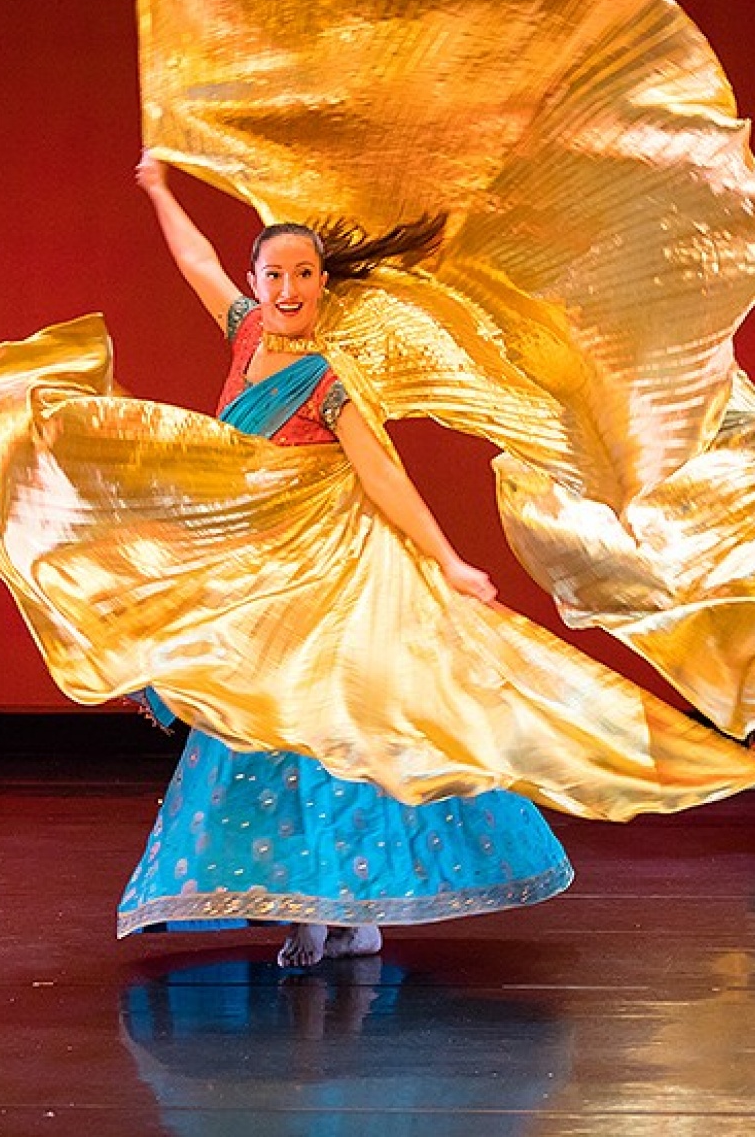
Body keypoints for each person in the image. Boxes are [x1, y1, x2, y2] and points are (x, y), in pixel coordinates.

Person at [119, 154, 572, 967]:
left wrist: (447, 560)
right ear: (255, 280)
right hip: (260, 573)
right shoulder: (247, 333)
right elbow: (193, 260)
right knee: (258, 735)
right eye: (274, 274)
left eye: (304, 274)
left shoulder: (327, 377)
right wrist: (159, 190)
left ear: (323, 283)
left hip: (330, 580)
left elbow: (384, 478)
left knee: (328, 735)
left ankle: (334, 911)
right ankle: (311, 902)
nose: (288, 289)